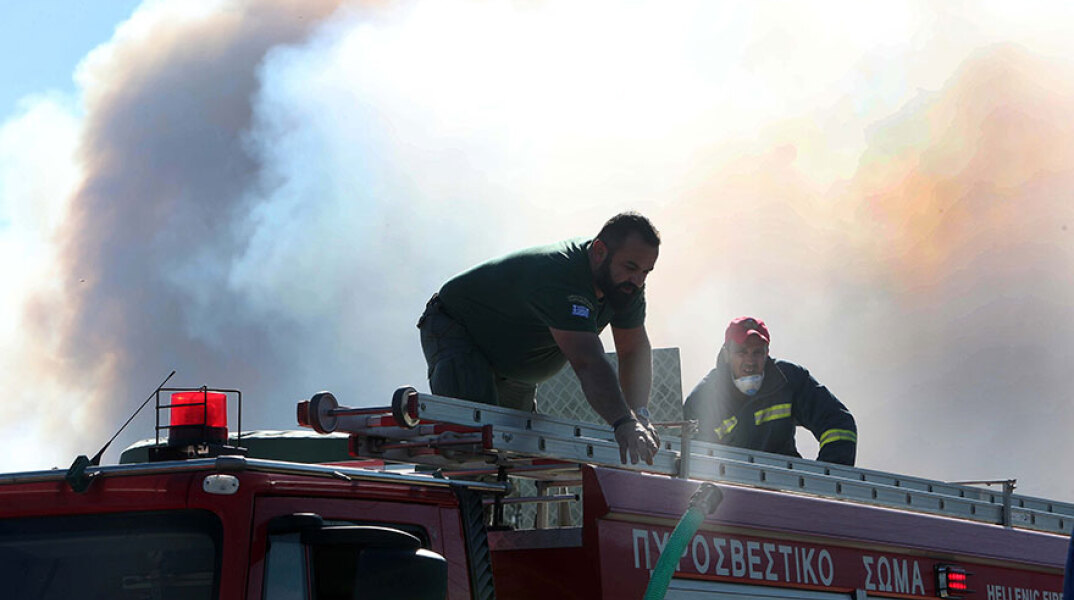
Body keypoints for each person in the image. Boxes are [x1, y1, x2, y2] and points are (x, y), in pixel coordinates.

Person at [418, 212, 661, 465]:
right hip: (460, 331)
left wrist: (639, 416)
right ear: (599, 251)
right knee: (473, 449)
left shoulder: (627, 286)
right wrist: (623, 422)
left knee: (513, 455)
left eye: (647, 271)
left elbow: (632, 350)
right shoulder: (562, 275)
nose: (638, 280)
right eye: (630, 267)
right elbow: (588, 361)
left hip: (513, 360)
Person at [682, 316, 857, 465]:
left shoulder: (788, 380)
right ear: (727, 354)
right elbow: (695, 464)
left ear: (767, 353)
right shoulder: (703, 401)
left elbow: (838, 423)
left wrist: (826, 479)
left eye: (757, 352)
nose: (750, 361)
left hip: (785, 486)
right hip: (730, 491)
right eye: (742, 352)